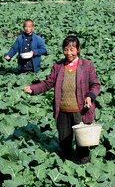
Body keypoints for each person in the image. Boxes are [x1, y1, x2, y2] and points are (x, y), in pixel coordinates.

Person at [22, 35, 100, 164]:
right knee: (64, 142)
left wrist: (89, 96)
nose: (68, 53)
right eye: (66, 50)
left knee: (83, 143)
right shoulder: (58, 66)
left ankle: (84, 167)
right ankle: (66, 167)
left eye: (72, 50)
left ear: (79, 49)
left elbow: (95, 85)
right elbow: (48, 83)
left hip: (81, 111)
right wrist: (33, 88)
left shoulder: (87, 65)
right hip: (62, 110)